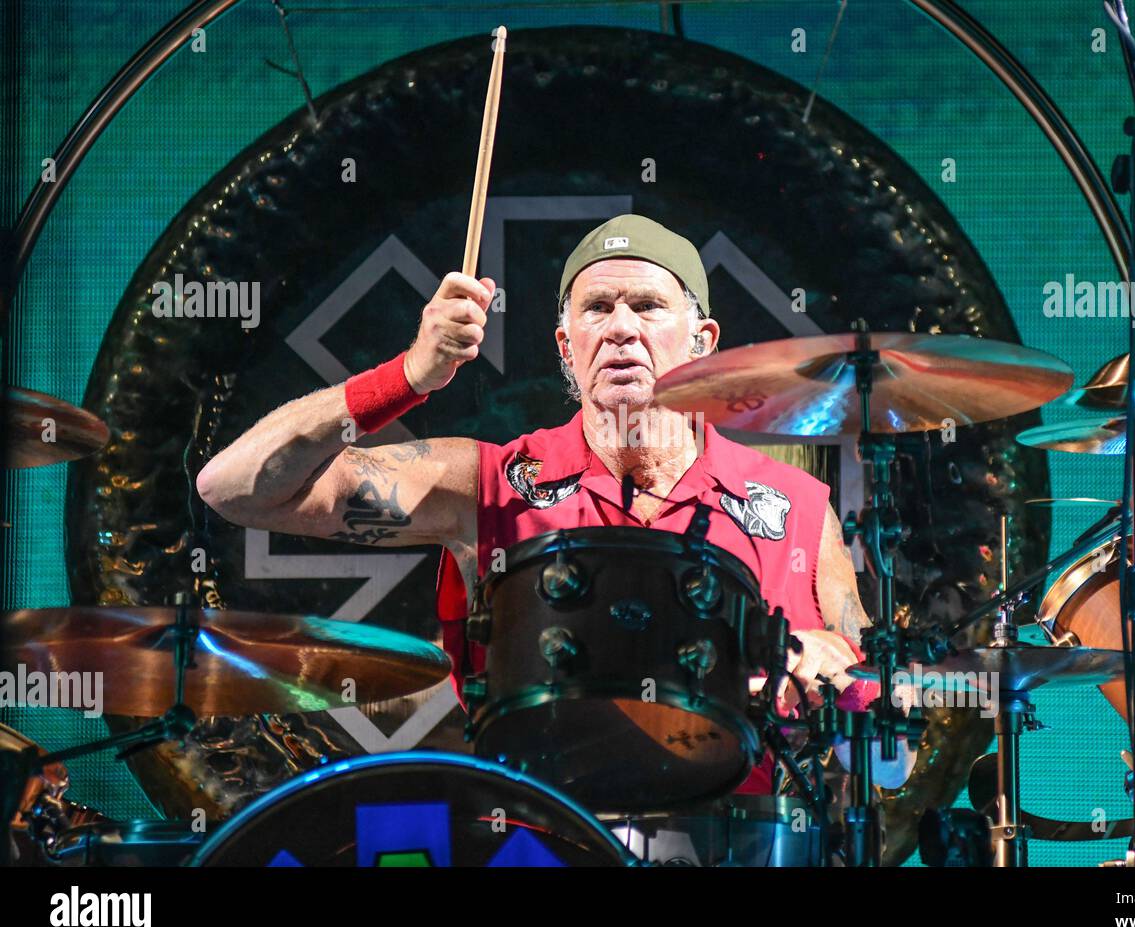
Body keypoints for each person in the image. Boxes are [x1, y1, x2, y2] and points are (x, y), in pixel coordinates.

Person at [197, 214, 905, 795]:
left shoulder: (794, 509)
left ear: (703, 340)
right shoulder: (490, 484)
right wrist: (407, 376)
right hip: (542, 839)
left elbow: (888, 745)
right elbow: (231, 487)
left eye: (648, 306)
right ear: (567, 346)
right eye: (597, 309)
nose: (621, 327)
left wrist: (842, 673)